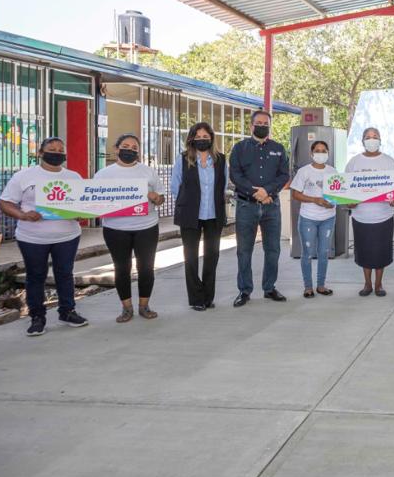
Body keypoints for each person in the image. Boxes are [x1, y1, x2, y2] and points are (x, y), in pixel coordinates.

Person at [0, 137, 88, 336]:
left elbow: (83, 206)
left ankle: (67, 311)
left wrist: (82, 214)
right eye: (51, 149)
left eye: (60, 150)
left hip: (68, 236)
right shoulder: (24, 176)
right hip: (32, 238)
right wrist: (23, 215)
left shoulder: (73, 177)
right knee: (35, 276)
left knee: (65, 274)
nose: (56, 153)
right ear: (40, 153)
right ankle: (37, 317)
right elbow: (5, 202)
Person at [95, 133, 165, 322]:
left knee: (146, 268)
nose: (130, 150)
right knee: (122, 268)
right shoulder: (103, 174)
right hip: (115, 229)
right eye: (126, 146)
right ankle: (127, 308)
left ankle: (144, 306)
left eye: (135, 148)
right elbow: (94, 201)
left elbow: (161, 198)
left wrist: (156, 197)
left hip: (147, 227)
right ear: (117, 149)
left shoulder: (148, 172)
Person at [229, 110, 290, 307]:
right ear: (251, 126)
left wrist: (267, 192)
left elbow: (283, 175)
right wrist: (255, 193)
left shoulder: (279, 149)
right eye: (259, 123)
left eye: (266, 123)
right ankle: (244, 290)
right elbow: (235, 175)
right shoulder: (239, 148)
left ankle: (269, 288)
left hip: (272, 206)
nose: (262, 126)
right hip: (247, 205)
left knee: (272, 249)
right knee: (244, 251)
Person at [172, 122, 228, 312]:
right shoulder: (183, 159)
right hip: (190, 214)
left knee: (212, 256)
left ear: (211, 138)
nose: (202, 140)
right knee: (191, 257)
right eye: (198, 136)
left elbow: (223, 185)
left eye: (206, 136)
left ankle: (207, 297)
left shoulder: (221, 159)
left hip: (214, 214)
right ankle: (196, 298)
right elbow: (175, 186)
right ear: (191, 138)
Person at [346, 127, 394, 296]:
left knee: (381, 251)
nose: (372, 140)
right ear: (362, 140)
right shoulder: (354, 162)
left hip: (383, 215)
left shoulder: (389, 161)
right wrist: (350, 203)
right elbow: (346, 188)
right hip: (361, 216)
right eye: (368, 137)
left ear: (380, 139)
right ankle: (367, 284)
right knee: (364, 251)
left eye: (375, 136)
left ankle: (379, 284)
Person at [291, 140, 337, 299]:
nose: (321, 153)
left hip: (328, 219)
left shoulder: (333, 171)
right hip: (308, 218)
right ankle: (308, 287)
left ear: (328, 153)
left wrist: (333, 203)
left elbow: (338, 193)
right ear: (311, 153)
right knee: (308, 253)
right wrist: (315, 200)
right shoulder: (304, 171)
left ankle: (321, 285)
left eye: (324, 151)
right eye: (317, 150)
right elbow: (295, 194)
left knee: (324, 253)